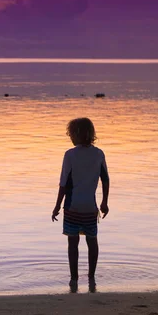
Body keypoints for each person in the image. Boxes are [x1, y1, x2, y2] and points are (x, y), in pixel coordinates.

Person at [51, 117, 109, 292]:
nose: (70, 137)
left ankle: (74, 279)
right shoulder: (99, 154)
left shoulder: (70, 155)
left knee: (72, 243)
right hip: (90, 208)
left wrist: (56, 206)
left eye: (70, 134)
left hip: (72, 207)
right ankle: (91, 278)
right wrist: (104, 202)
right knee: (92, 242)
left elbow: (64, 184)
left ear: (76, 134)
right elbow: (105, 180)